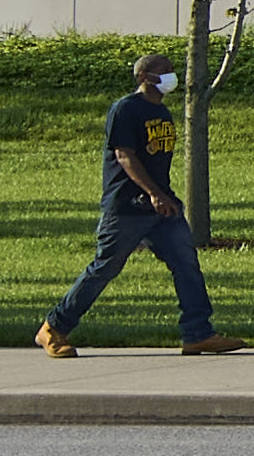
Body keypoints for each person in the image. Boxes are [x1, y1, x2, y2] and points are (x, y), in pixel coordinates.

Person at [38, 53, 217, 356]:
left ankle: (198, 334)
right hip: (127, 207)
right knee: (105, 268)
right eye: (165, 71)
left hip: (162, 207)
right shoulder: (126, 110)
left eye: (173, 70)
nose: (172, 76)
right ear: (145, 77)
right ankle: (53, 328)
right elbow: (125, 156)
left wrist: (164, 196)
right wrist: (153, 193)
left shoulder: (162, 112)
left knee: (186, 264)